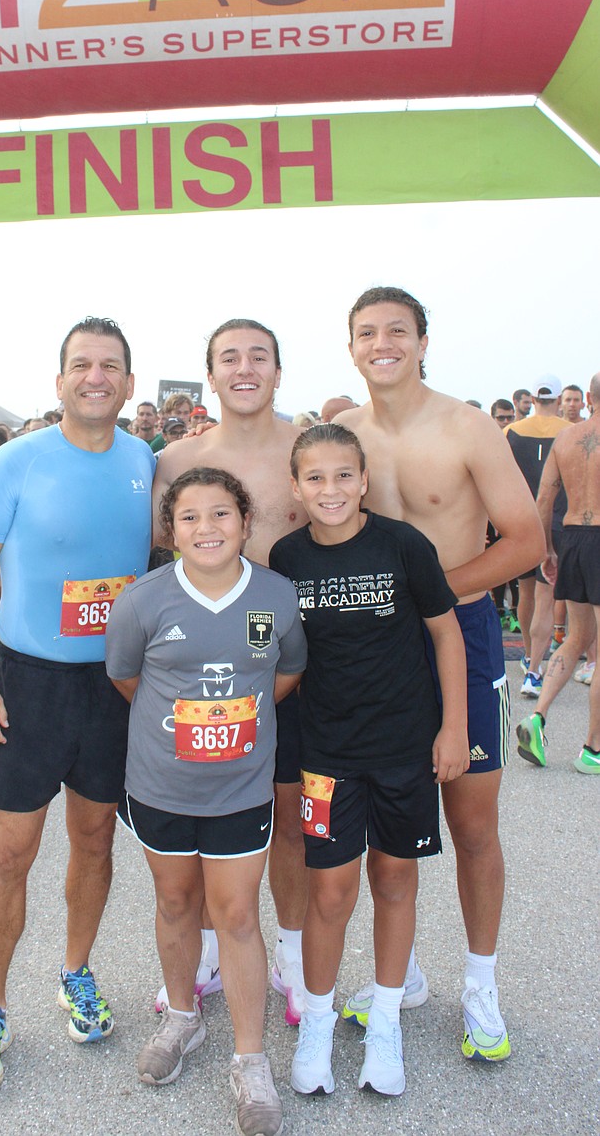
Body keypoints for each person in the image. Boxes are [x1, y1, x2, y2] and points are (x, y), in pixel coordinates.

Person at [336, 286, 543, 1062]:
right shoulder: (344, 434)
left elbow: (523, 542)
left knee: (472, 822)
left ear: (423, 341)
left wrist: (429, 594)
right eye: (367, 332)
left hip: (463, 631)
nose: (382, 342)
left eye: (397, 330)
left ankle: (481, 985)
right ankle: (405, 971)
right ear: (350, 346)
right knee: (389, 815)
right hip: (371, 650)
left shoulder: (468, 426)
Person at [0, 317, 153, 1091]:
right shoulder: (16, 460)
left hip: (114, 686)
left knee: (96, 838)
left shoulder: (146, 462)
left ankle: (76, 970)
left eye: (110, 366)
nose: (95, 376)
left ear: (130, 383)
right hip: (30, 683)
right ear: (59, 379)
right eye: (81, 364)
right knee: (9, 851)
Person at [106, 467, 305, 1136]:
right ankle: (183, 1019)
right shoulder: (141, 601)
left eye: (221, 514)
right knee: (174, 902)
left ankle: (251, 1061)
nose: (207, 528)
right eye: (190, 517)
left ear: (246, 523)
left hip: (240, 787)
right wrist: (184, 725)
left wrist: (238, 719)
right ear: (170, 530)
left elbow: (289, 668)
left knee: (238, 912)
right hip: (161, 785)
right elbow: (126, 675)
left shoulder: (275, 597)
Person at [270, 424, 468, 1097]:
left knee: (394, 879)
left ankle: (386, 1019)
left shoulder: (403, 544)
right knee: (329, 890)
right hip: (326, 753)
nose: (332, 489)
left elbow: (446, 632)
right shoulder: (285, 555)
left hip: (404, 747)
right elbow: (272, 647)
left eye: (344, 475)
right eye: (316, 478)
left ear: (363, 480)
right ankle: (319, 1022)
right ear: (296, 487)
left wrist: (454, 727)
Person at [153, 320, 310, 1024]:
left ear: (278, 369)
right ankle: (209, 949)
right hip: (209, 670)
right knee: (206, 811)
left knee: (290, 812)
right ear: (209, 375)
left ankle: (292, 952)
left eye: (258, 356)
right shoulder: (176, 456)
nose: (244, 368)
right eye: (229, 358)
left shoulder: (309, 447)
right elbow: (157, 567)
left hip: (298, 657)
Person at [515, 370, 600, 774]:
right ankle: (592, 749)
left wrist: (546, 548)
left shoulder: (565, 437)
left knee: (579, 637)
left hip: (573, 538)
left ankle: (538, 716)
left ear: (587, 396)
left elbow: (543, 497)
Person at [504, 377, 569, 695]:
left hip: (520, 522)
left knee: (525, 595)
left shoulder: (511, 432)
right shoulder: (570, 431)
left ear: (531, 398)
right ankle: (533, 671)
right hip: (557, 522)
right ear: (559, 398)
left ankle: (531, 656)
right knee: (544, 601)